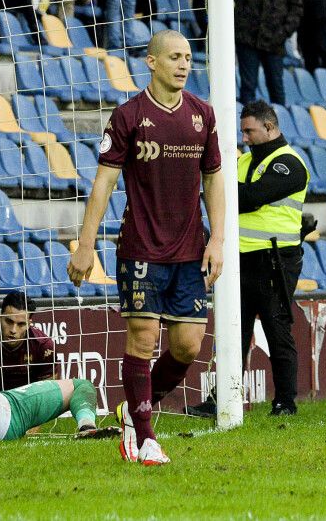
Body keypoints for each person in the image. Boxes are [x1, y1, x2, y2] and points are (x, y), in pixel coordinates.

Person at [67, 29, 224, 466]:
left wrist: (219, 239)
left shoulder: (202, 115)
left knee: (188, 346)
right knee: (142, 338)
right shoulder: (128, 116)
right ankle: (145, 435)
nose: (183, 64)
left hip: (191, 250)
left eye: (188, 57)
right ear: (152, 62)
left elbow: (213, 178)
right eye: (174, 56)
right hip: (141, 248)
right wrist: (85, 245)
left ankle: (134, 408)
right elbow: (103, 183)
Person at [237, 101, 307, 416]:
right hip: (239, 259)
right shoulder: (243, 162)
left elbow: (250, 198)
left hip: (275, 259)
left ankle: (285, 402)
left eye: (250, 131)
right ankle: (222, 398)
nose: (245, 138)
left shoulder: (290, 164)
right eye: (243, 132)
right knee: (232, 332)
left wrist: (219, 191)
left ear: (270, 127)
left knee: (276, 330)